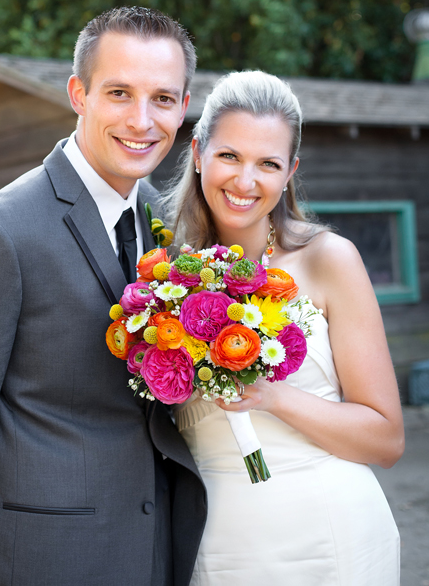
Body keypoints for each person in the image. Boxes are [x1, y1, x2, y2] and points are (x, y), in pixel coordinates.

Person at [0, 7, 207, 586]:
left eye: (163, 99)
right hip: (47, 560)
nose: (142, 120)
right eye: (119, 93)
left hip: (153, 550)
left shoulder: (161, 221)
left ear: (183, 105)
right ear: (79, 94)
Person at [165, 70, 404, 585]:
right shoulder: (165, 281)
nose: (245, 181)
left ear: (290, 171)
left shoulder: (328, 259)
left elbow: (386, 440)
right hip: (213, 542)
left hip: (329, 537)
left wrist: (271, 396)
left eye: (268, 163)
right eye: (230, 156)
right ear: (198, 153)